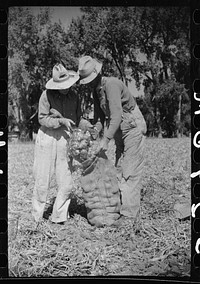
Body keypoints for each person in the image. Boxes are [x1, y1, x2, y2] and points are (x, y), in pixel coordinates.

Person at [78, 56, 147, 225]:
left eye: (90, 80)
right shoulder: (96, 90)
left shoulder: (112, 84)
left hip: (131, 126)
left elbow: (115, 115)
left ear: (97, 74)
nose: (88, 84)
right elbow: (101, 118)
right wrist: (96, 131)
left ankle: (129, 216)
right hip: (118, 128)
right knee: (117, 167)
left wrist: (106, 140)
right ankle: (119, 207)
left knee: (130, 169)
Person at [32, 63, 81, 225]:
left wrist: (89, 127)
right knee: (42, 177)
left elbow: (78, 119)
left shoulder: (74, 97)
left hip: (65, 138)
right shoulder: (46, 95)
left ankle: (59, 216)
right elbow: (42, 119)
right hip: (48, 136)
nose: (66, 88)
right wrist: (60, 121)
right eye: (62, 86)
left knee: (66, 179)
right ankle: (36, 216)